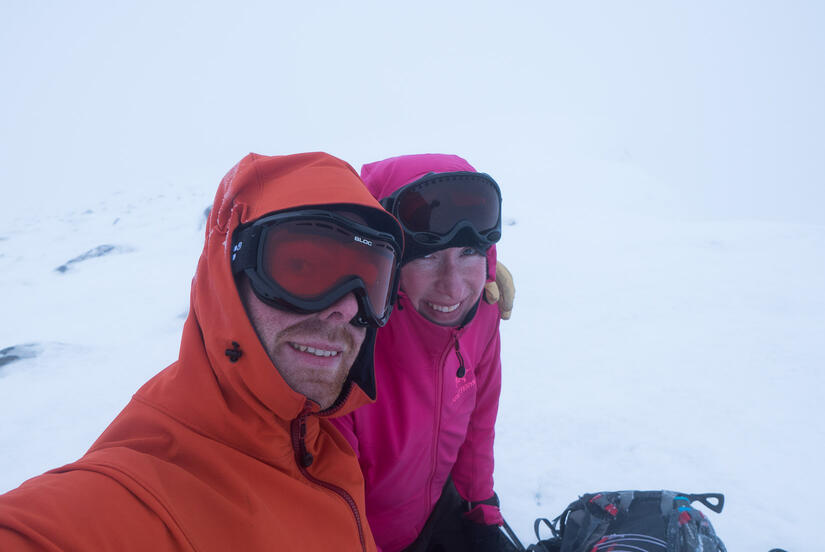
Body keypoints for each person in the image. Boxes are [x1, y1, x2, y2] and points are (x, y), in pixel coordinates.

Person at [0, 152, 405, 552]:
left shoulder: (325, 447)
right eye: (301, 268)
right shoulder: (139, 492)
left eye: (369, 282)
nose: (348, 308)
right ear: (227, 276)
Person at [332, 154, 513, 552]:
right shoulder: (345, 345)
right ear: (387, 262)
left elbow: (478, 426)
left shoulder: (483, 310)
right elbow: (330, 500)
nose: (453, 289)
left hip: (438, 512)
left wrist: (480, 509)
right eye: (427, 257)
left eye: (468, 253)